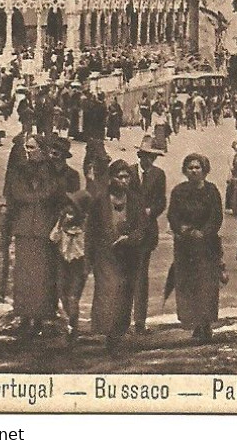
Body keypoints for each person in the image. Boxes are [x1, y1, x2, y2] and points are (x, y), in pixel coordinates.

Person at [86, 159, 145, 353]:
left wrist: (130, 238)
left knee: (125, 294)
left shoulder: (135, 200)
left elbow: (142, 228)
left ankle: (117, 334)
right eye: (119, 177)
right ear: (111, 178)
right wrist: (90, 256)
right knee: (108, 290)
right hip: (105, 253)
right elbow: (91, 230)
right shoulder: (100, 200)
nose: (124, 180)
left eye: (127, 176)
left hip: (128, 254)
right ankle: (107, 331)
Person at [4, 134, 59, 336]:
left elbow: (53, 193)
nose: (28, 151)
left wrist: (35, 198)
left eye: (32, 148)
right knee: (24, 274)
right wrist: (36, 198)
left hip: (43, 230)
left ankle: (40, 318)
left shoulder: (50, 169)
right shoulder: (20, 169)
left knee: (42, 275)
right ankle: (24, 317)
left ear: (42, 150)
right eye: (27, 148)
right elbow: (16, 193)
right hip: (25, 229)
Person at [167, 154, 223, 344]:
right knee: (187, 285)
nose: (194, 171)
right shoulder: (178, 191)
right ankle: (193, 322)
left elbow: (216, 217)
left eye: (197, 167)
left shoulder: (212, 191)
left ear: (204, 170)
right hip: (184, 246)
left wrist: (204, 233)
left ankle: (205, 323)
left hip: (206, 246)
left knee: (206, 285)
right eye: (190, 167)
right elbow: (172, 215)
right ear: (185, 170)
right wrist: (181, 228)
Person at [131, 136, 167, 335]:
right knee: (125, 274)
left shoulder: (158, 175)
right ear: (139, 155)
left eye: (152, 157)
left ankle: (139, 320)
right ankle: (122, 318)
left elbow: (161, 201)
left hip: (147, 232)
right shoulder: (127, 172)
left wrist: (151, 211)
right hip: (127, 230)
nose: (148, 160)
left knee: (141, 276)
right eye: (145, 156)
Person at [49, 189, 92, 339]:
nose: (68, 211)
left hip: (77, 264)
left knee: (73, 296)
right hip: (63, 261)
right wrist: (61, 223)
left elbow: (87, 248)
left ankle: (73, 326)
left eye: (73, 208)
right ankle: (69, 322)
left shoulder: (84, 228)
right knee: (62, 292)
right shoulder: (62, 224)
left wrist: (87, 266)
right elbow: (53, 238)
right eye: (67, 207)